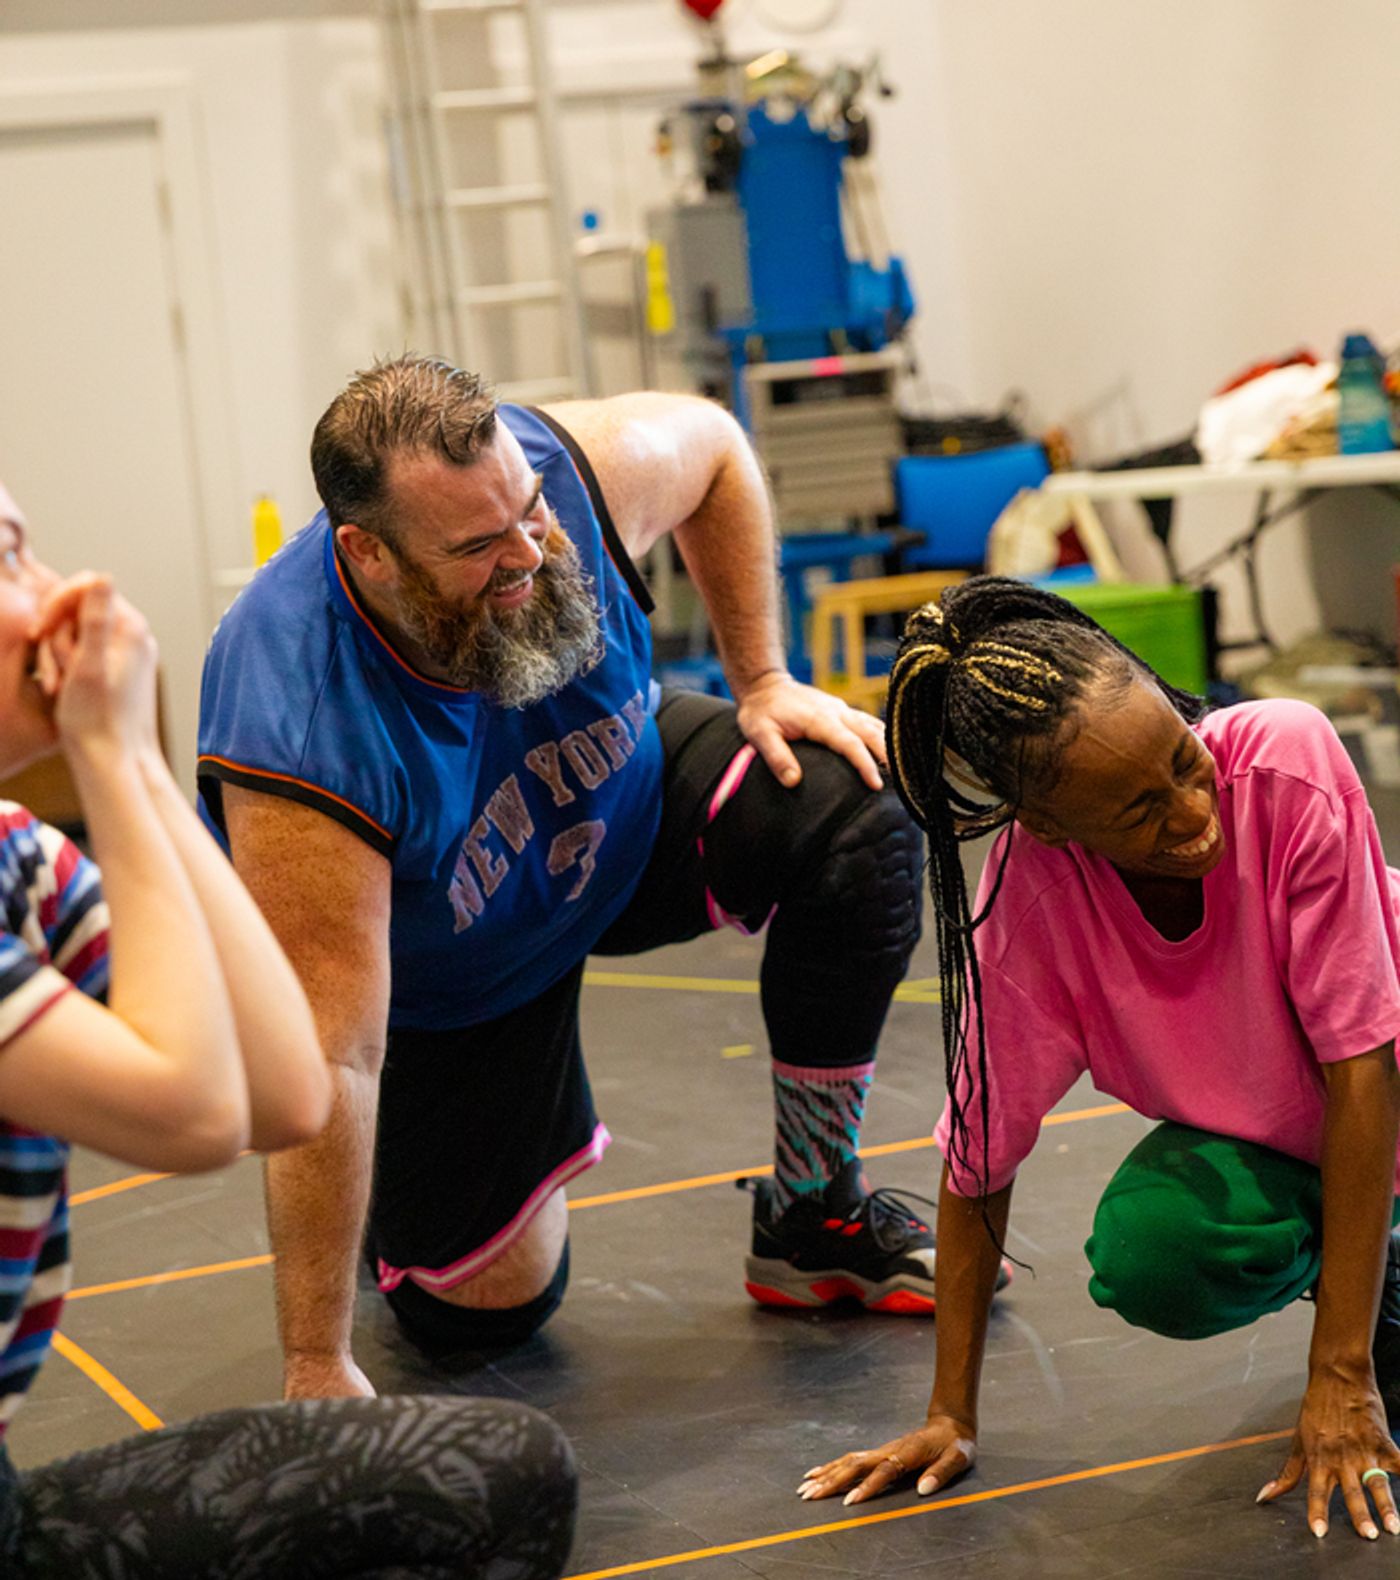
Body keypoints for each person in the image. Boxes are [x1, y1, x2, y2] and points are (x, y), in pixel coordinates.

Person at [194, 354, 971, 1397]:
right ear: (367, 553)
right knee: (484, 1316)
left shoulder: (568, 470)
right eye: (477, 546)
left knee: (857, 804)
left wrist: (762, 677)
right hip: (452, 985)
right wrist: (314, 1358)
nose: (525, 553)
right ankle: (404, 1206)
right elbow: (332, 1055)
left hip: (618, 823)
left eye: (528, 512)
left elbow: (715, 449)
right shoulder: (297, 712)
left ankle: (810, 1208)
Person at [0, 480, 577, 1576]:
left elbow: (282, 1088)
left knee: (497, 1476)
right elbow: (194, 1114)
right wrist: (111, 758)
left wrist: (143, 771)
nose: (58, 589)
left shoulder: (15, 853)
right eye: (8, 558)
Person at [797, 576, 1400, 1544]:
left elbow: (1364, 1067)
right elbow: (976, 1161)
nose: (1192, 811)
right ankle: (1381, 1276)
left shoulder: (1284, 759)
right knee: (1154, 1247)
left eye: (1183, 758)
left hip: (1380, 1091)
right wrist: (950, 1415)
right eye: (1138, 810)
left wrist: (1340, 1371)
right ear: (1049, 825)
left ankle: (1371, 1299)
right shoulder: (1031, 907)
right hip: (1312, 1146)